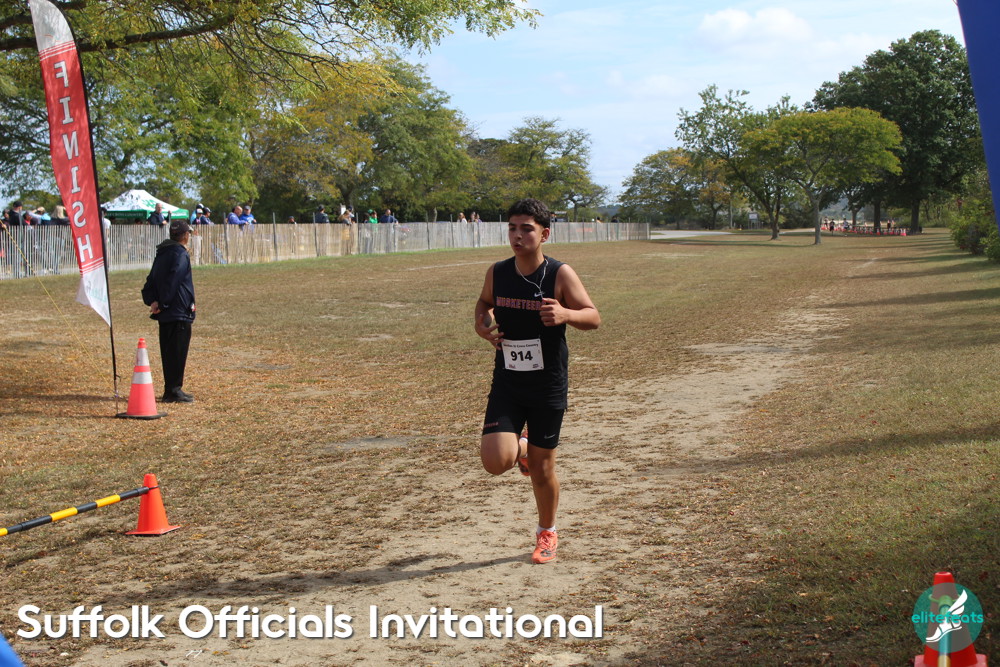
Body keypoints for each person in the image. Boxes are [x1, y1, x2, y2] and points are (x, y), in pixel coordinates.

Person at [473, 197, 601, 564]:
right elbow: (484, 303)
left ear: (544, 234)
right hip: (508, 381)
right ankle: (523, 447)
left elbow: (593, 317)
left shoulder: (559, 274)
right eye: (512, 228)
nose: (517, 235)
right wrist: (482, 324)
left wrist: (565, 314)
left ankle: (547, 532)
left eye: (526, 229)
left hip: (547, 385)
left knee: (543, 471)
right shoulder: (498, 272)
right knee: (495, 461)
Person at [141, 220, 197, 403]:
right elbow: (174, 279)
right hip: (177, 309)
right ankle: (173, 390)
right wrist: (164, 303)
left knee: (169, 351)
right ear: (185, 235)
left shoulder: (163, 252)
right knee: (177, 351)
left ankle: (171, 389)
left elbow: (151, 279)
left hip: (166, 311)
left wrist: (152, 300)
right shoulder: (179, 253)